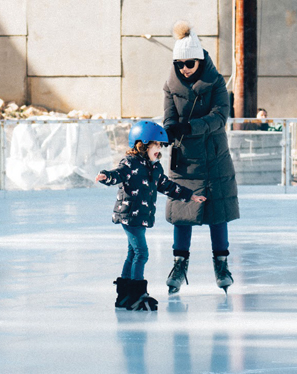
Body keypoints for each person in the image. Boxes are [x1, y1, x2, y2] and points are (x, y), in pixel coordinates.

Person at [162, 20, 239, 294]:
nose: (184, 68)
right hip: (184, 159)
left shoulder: (216, 83)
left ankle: (221, 265)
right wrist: (169, 131)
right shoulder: (170, 85)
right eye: (180, 64)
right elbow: (169, 117)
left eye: (189, 63)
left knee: (217, 212)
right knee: (182, 212)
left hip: (214, 157)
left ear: (200, 61)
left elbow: (219, 118)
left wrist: (189, 127)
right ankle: (179, 264)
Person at [96, 120, 206, 311]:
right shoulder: (130, 163)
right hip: (129, 216)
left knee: (133, 253)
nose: (159, 148)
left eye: (160, 145)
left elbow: (168, 186)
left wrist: (190, 195)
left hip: (140, 217)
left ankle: (124, 295)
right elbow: (118, 174)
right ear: (142, 144)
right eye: (155, 144)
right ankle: (137, 294)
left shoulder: (155, 168)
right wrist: (106, 176)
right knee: (142, 253)